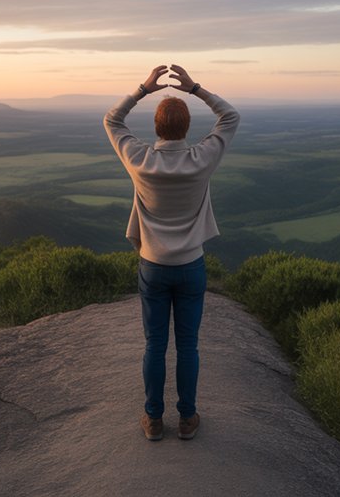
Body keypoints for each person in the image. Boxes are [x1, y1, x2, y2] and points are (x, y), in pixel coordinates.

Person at [103, 64, 240, 441]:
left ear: (157, 128)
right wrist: (195, 88)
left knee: (155, 345)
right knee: (188, 345)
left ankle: (153, 419)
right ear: (186, 128)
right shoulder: (202, 158)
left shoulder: (140, 159)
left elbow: (112, 120)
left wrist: (141, 90)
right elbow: (230, 116)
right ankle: (187, 418)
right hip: (191, 265)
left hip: (153, 266)